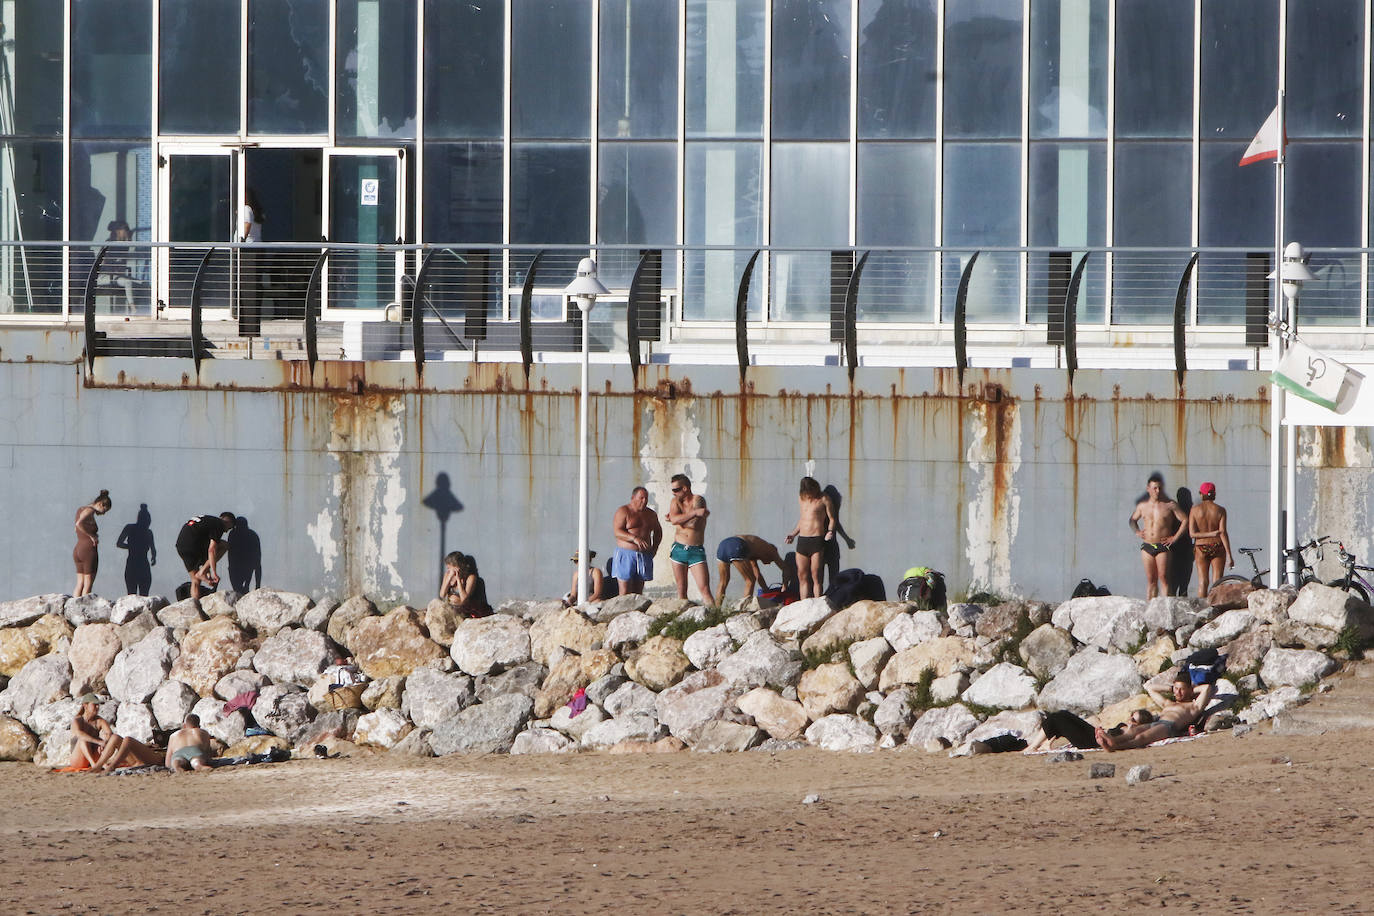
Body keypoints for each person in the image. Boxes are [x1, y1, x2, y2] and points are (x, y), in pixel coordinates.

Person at [1096, 674, 1215, 751]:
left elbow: (1207, 688)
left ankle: (1116, 746)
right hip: (1157, 721)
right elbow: (1150, 688)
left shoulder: (1193, 706)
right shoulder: (1168, 703)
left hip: (1169, 726)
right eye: (1176, 689)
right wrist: (1171, 688)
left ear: (1189, 689)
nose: (1178, 692)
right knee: (1134, 731)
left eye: (1182, 689)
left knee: (1141, 737)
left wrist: (1192, 690)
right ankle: (1112, 741)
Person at [1128, 472, 1188, 598]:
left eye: (1160, 488)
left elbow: (1185, 520)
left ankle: (1166, 608)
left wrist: (1175, 538)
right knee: (1151, 579)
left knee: (1164, 577)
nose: (1157, 490)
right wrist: (1137, 532)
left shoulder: (1170, 505)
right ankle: (1150, 609)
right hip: (1148, 546)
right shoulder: (1142, 506)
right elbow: (1132, 520)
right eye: (1154, 488)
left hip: (1163, 546)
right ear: (1148, 489)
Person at [785, 476, 836, 599]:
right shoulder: (802, 498)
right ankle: (804, 605)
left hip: (817, 540)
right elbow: (802, 519)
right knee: (802, 575)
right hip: (802, 540)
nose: (809, 495)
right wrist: (793, 534)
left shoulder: (824, 498)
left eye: (811, 491)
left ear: (815, 487)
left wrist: (830, 531)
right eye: (806, 492)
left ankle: (818, 603)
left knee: (816, 575)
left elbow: (832, 519)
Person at [1021, 709, 1154, 754]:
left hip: (1092, 741)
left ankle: (1033, 746)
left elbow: (1119, 742)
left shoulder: (1131, 731)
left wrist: (1128, 730)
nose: (1130, 720)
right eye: (1131, 716)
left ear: (1140, 724)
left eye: (1134, 720)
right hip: (1094, 735)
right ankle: (1042, 744)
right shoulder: (1125, 726)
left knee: (1058, 718)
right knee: (1063, 714)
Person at [665, 474, 711, 602]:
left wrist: (679, 519)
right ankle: (683, 619)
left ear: (685, 488)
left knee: (704, 589)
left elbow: (693, 524)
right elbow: (674, 520)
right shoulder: (675, 502)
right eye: (672, 490)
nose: (673, 493)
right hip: (678, 548)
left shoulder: (698, 500)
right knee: (681, 589)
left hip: (695, 550)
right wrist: (694, 513)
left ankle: (715, 618)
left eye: (676, 490)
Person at [713, 535, 794, 606]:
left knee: (722, 582)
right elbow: (785, 569)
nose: (769, 563)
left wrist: (765, 590)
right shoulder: (772, 550)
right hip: (737, 545)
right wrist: (785, 587)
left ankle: (716, 612)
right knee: (750, 581)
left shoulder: (754, 550)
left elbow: (757, 574)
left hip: (723, 545)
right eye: (771, 560)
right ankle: (743, 611)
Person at [611, 486, 662, 595]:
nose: (644, 501)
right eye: (641, 498)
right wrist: (634, 538)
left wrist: (654, 548)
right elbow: (617, 532)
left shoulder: (651, 514)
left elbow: (658, 532)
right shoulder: (623, 511)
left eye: (646, 499)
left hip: (643, 554)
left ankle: (637, 611)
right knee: (625, 590)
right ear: (633, 498)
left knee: (638, 591)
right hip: (626, 554)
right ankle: (623, 611)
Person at [175, 512, 236, 600]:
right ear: (228, 522)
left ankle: (195, 608)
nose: (226, 531)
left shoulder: (207, 521)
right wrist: (214, 573)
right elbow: (211, 550)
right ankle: (201, 572)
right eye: (230, 528)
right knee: (224, 545)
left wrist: (208, 575)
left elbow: (205, 552)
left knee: (195, 580)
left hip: (181, 546)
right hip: (193, 544)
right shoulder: (218, 524)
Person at [1188, 481, 1233, 598]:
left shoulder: (1194, 510)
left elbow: (1192, 534)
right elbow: (1223, 533)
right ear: (1214, 494)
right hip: (1217, 546)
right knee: (1217, 582)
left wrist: (1207, 534)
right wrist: (1229, 555)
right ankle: (1216, 610)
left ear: (1201, 494)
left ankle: (1202, 609)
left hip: (1201, 547)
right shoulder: (1220, 510)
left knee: (1203, 582)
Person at [73, 490, 112, 597]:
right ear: (100, 504)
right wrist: (92, 536)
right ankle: (84, 608)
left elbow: (76, 527)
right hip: (88, 551)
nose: (103, 513)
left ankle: (72, 609)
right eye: (104, 510)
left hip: (78, 549)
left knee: (80, 583)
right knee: (88, 584)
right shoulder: (90, 510)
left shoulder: (81, 509)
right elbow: (78, 524)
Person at [116, 503, 157, 597]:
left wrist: (153, 557)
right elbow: (119, 543)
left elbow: (153, 549)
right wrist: (133, 547)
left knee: (136, 595)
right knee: (137, 595)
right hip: (137, 564)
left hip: (137, 564)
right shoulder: (143, 531)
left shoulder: (134, 529)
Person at [238, 189, 264, 336]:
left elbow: (247, 224)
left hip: (248, 250)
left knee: (248, 287)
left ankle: (249, 324)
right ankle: (250, 321)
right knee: (253, 286)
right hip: (256, 248)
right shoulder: (255, 210)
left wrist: (241, 241)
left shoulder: (246, 209)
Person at [96, 219, 136, 312]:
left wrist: (129, 239)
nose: (127, 232)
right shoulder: (109, 244)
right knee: (128, 282)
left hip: (116, 276)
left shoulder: (123, 245)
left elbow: (122, 262)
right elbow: (103, 263)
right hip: (104, 276)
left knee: (140, 283)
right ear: (118, 231)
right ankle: (133, 308)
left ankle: (143, 308)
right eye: (126, 230)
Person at [440, 551, 493, 618]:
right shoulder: (448, 575)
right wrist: (449, 578)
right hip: (451, 607)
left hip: (466, 610)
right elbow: (442, 595)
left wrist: (458, 580)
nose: (449, 570)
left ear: (458, 567)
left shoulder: (470, 578)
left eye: (450, 568)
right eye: (448, 568)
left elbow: (464, 600)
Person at [67, 694, 113, 770]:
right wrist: (98, 742)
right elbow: (79, 734)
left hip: (93, 755)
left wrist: (105, 742)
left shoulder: (99, 721)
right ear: (85, 706)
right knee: (83, 739)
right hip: (79, 760)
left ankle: (102, 763)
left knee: (103, 742)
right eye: (94, 705)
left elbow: (109, 733)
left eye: (98, 705)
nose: (97, 707)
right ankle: (94, 765)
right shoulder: (77, 720)